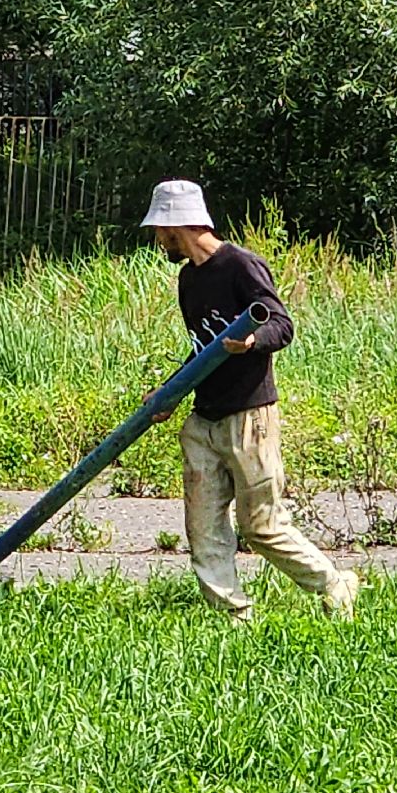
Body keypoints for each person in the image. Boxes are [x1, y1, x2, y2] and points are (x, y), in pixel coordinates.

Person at [142, 179, 359, 622]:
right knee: (203, 529)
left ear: (175, 226)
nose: (156, 240)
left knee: (261, 526)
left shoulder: (242, 265)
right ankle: (233, 616)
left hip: (250, 418)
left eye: (158, 231)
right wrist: (169, 391)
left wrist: (254, 339)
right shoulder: (189, 279)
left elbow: (282, 324)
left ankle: (333, 583)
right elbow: (202, 348)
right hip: (205, 419)